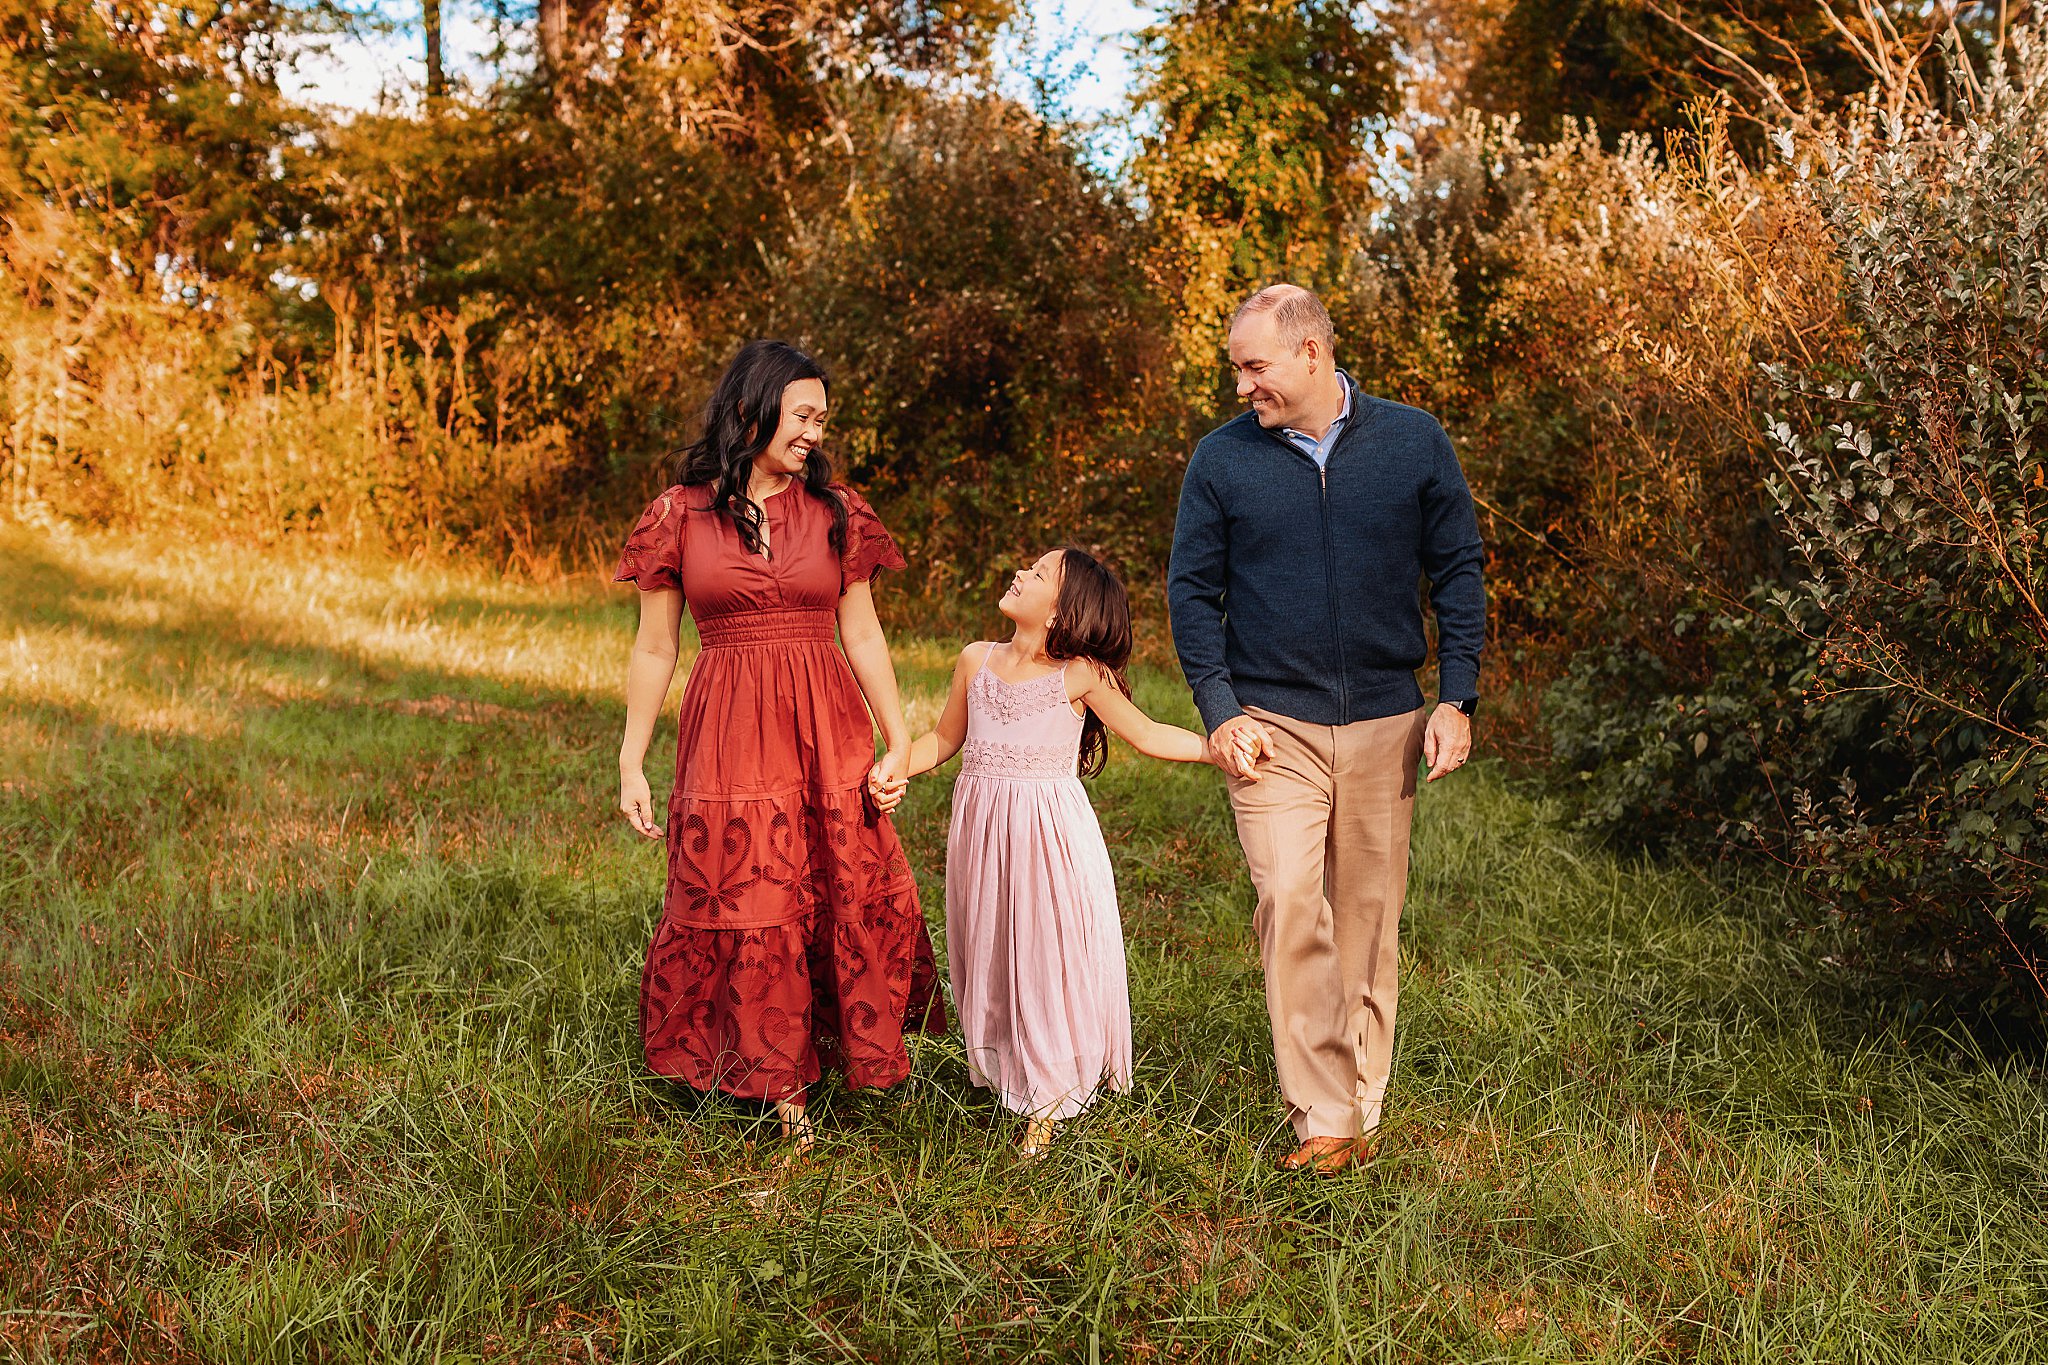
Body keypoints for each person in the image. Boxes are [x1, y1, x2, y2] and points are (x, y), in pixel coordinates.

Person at [1168, 285, 1485, 1174]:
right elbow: (1192, 593)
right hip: (1272, 724)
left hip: (1389, 717)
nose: (1242, 386)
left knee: (1368, 920)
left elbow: (1457, 567)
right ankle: (1324, 1116)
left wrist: (1456, 696)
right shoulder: (1221, 462)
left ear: (1310, 355)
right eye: (1238, 367)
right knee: (1289, 902)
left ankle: (1362, 1098)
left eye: (1253, 365)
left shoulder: (1413, 440)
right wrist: (1221, 710)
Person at [613, 339, 941, 1150]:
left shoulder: (837, 511)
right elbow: (657, 647)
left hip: (823, 721)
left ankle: (826, 1061)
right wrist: (631, 758)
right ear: (751, 409)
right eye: (803, 416)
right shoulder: (676, 513)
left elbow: (861, 631)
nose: (814, 434)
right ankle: (772, 1078)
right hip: (727, 724)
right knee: (749, 891)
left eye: (821, 419)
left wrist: (897, 738)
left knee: (826, 883)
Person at [871, 548, 1236, 1155]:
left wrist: (1214, 749)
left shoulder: (1080, 675)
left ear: (1066, 610)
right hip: (983, 837)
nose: (1020, 573)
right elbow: (941, 739)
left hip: (1049, 838)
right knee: (991, 942)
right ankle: (1003, 1063)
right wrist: (892, 765)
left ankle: (1050, 1089)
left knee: (1045, 949)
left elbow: (1146, 733)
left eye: (1039, 574)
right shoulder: (974, 661)